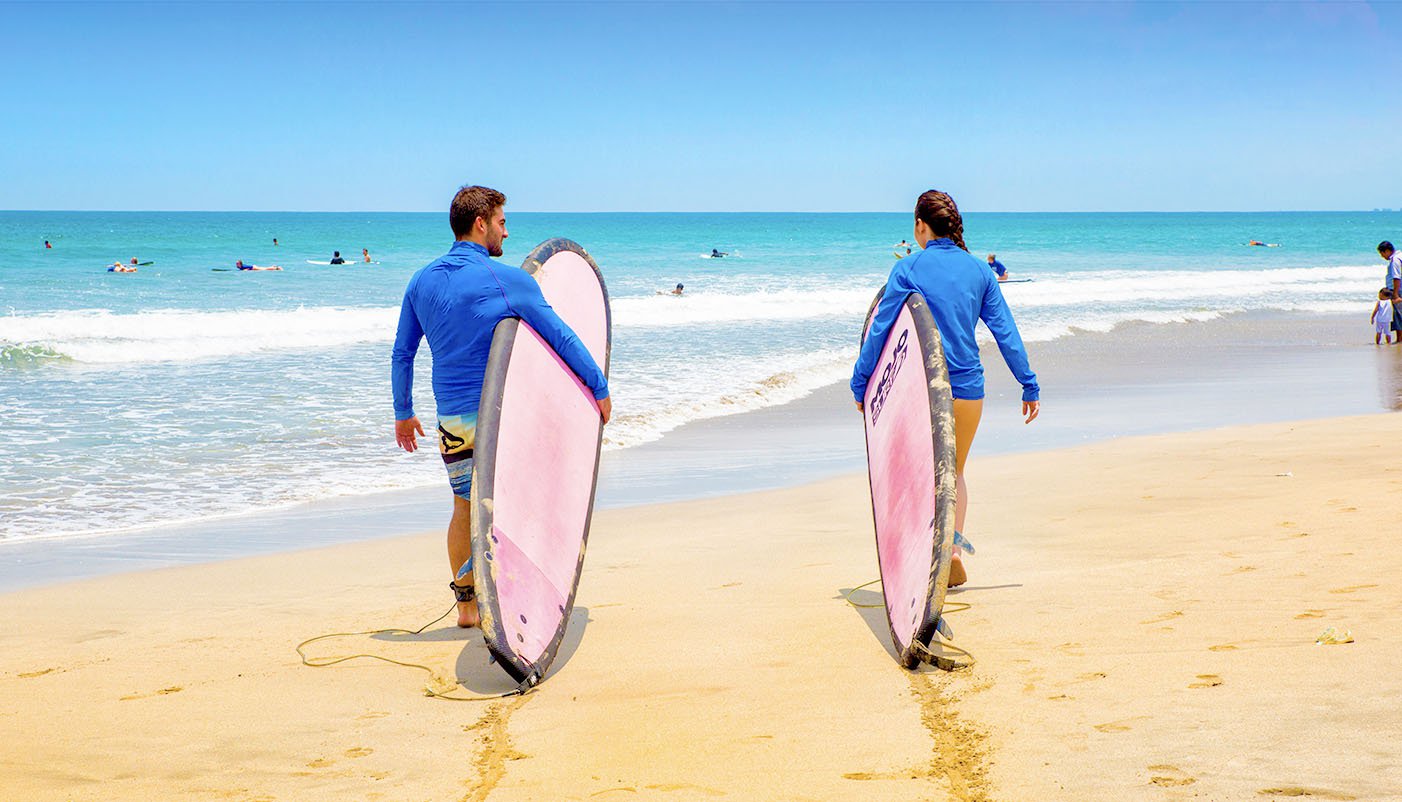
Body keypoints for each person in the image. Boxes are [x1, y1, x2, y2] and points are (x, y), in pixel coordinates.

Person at [392, 185, 612, 629]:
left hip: (452, 419)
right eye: (502, 222)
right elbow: (561, 336)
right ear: (481, 223)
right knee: (520, 504)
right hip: (502, 419)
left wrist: (403, 412)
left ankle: (468, 609)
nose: (506, 234)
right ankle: (517, 601)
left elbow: (403, 353)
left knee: (462, 507)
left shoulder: (421, 280)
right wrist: (599, 388)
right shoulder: (508, 281)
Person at [852, 189, 1040, 588]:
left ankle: (921, 556)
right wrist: (1028, 384)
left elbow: (882, 331)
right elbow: (1005, 332)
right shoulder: (979, 271)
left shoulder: (908, 269)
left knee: (917, 477)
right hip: (969, 391)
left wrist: (860, 383)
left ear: (921, 225)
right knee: (953, 473)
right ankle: (951, 551)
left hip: (922, 391)